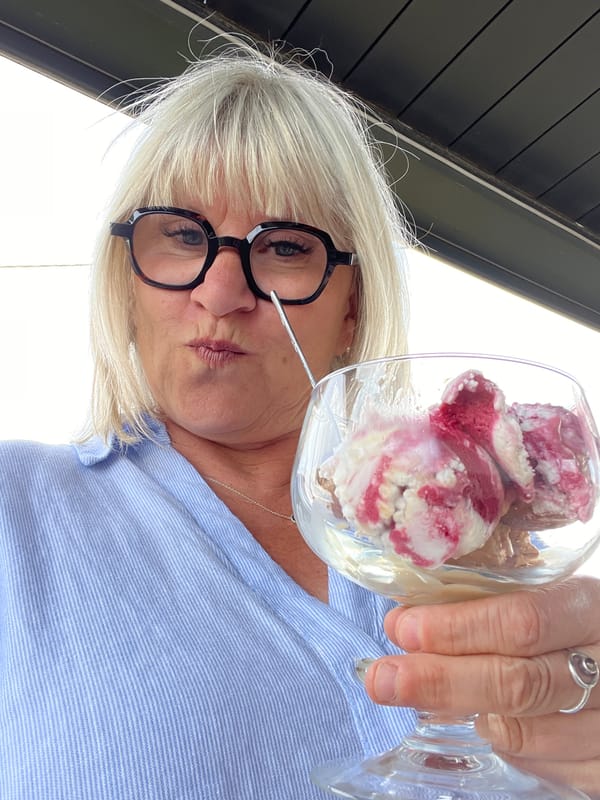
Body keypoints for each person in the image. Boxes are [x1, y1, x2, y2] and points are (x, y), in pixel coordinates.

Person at [1, 42, 599, 800]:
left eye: (284, 248)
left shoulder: (490, 548)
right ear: (126, 280)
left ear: (352, 305)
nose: (220, 292)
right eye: (182, 235)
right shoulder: (15, 513)